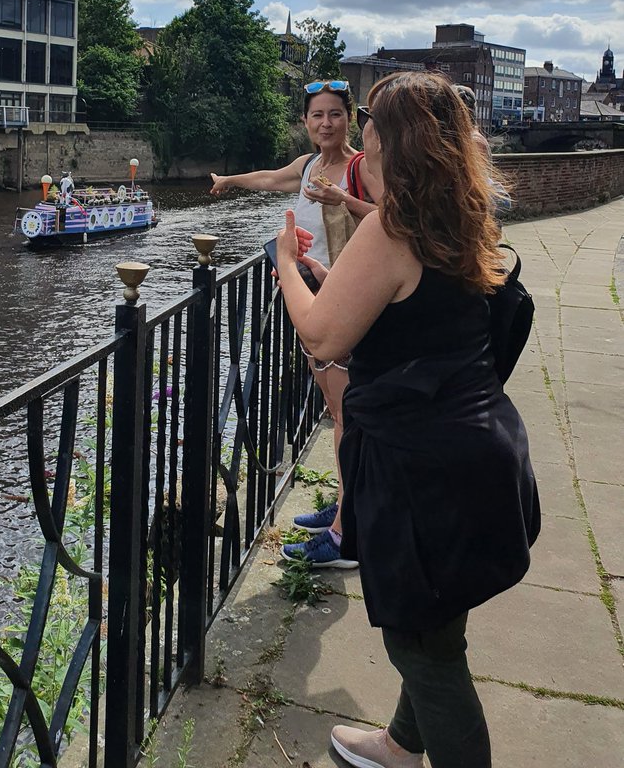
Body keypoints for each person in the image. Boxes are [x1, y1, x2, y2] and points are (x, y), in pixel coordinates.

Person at [274, 72, 540, 768]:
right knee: (437, 626)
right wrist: (332, 279)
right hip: (480, 451)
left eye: (370, 143)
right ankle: (397, 744)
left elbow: (324, 339)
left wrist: (284, 270)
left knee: (421, 648)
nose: (364, 158)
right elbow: (400, 310)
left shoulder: (393, 229)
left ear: (396, 150)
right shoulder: (464, 219)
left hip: (424, 473)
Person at [211, 80, 380, 566]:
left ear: (349, 118)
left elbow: (393, 221)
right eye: (316, 116)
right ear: (305, 123)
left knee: (349, 413)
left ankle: (349, 535)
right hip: (313, 294)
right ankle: (349, 505)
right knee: (337, 409)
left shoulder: (360, 168)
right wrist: (229, 181)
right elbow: (270, 179)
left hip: (347, 298)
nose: (325, 123)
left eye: (334, 114)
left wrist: (342, 201)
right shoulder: (308, 167)